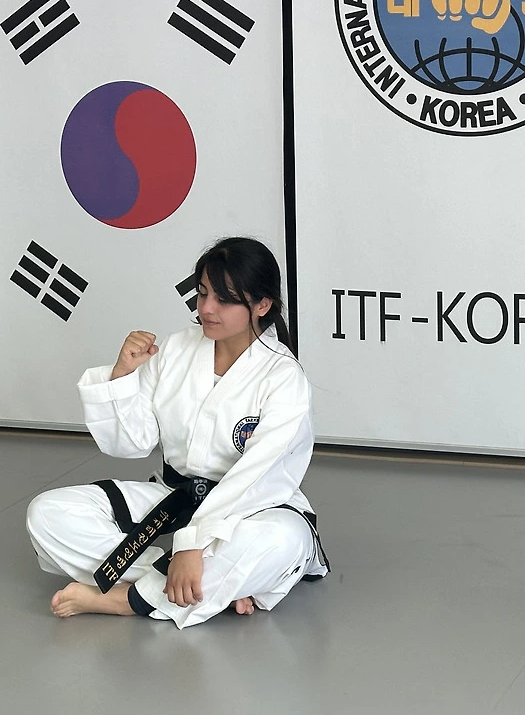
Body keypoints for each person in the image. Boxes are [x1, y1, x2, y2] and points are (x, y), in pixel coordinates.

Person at [26, 237, 329, 628]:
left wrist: (195, 541)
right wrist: (123, 376)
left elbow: (258, 478)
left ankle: (126, 599)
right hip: (175, 496)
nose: (206, 308)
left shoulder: (283, 377)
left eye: (224, 299)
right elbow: (131, 443)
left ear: (262, 305)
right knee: (47, 515)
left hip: (255, 508)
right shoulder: (176, 350)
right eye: (202, 293)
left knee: (281, 541)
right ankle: (208, 585)